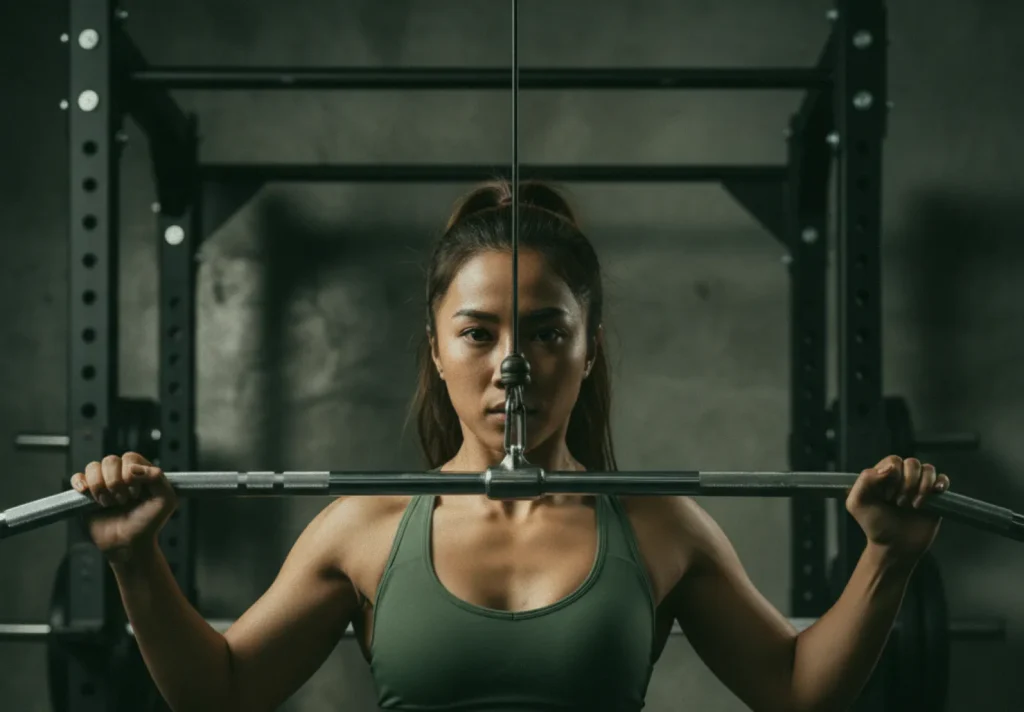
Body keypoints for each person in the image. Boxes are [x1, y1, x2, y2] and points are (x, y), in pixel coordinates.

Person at [71, 181, 951, 712]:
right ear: (434, 346)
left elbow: (798, 691)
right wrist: (133, 561)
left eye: (544, 333)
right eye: (478, 333)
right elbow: (221, 696)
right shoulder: (369, 524)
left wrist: (888, 559)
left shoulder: (655, 523)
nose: (511, 367)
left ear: (590, 345)